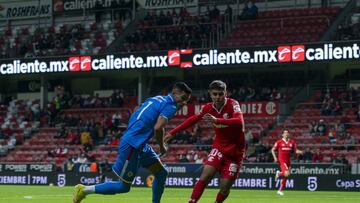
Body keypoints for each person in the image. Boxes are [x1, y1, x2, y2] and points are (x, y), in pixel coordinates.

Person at [72, 82, 192, 203]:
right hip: (132, 145)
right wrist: (161, 147)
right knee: (123, 187)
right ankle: (84, 189)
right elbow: (157, 128)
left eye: (187, 101)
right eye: (183, 98)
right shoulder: (171, 106)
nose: (184, 103)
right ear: (175, 93)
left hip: (140, 144)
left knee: (161, 173)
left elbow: (139, 113)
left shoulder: (157, 99)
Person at [165, 80, 245, 203]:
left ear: (226, 93)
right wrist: (172, 132)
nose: (217, 97)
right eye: (215, 94)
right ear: (210, 94)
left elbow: (239, 122)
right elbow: (192, 120)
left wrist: (217, 120)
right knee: (205, 176)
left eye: (220, 94)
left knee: (224, 189)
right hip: (219, 148)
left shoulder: (233, 103)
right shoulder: (208, 108)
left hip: (235, 152)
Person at [271, 129, 303, 196]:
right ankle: (279, 174)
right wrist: (275, 157)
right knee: (286, 173)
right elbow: (273, 150)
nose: (286, 134)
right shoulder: (279, 142)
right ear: (282, 135)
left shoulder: (292, 142)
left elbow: (295, 150)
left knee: (286, 176)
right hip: (281, 160)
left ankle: (280, 190)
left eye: (287, 133)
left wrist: (300, 151)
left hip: (288, 160)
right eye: (285, 133)